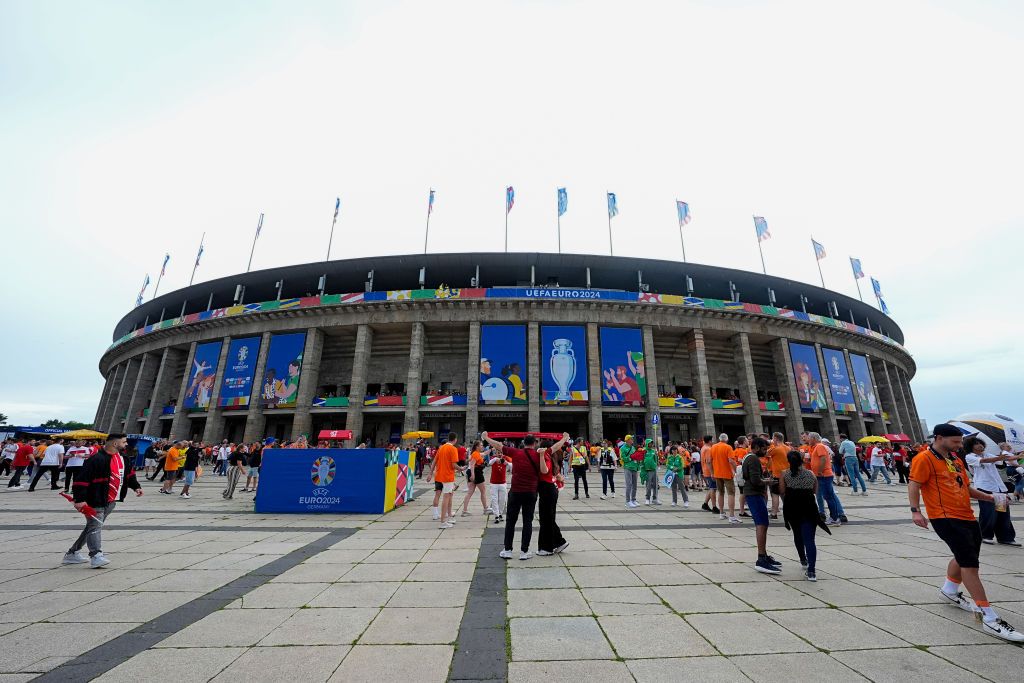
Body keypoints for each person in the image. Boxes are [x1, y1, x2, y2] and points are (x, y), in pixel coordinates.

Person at [909, 424, 1024, 642]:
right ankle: (989, 617)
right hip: (945, 517)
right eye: (955, 442)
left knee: (965, 556)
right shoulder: (924, 459)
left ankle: (949, 590)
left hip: (967, 515)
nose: (959, 446)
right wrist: (916, 511)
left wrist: (990, 497)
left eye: (961, 442)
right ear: (939, 438)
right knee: (970, 565)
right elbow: (914, 484)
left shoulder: (955, 459)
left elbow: (966, 488)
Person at [63, 433, 142, 568]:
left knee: (92, 526)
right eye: (124, 442)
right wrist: (80, 499)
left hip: (112, 500)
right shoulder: (96, 459)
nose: (126, 444)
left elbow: (129, 474)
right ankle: (96, 555)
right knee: (95, 527)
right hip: (95, 499)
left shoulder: (123, 458)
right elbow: (81, 480)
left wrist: (136, 486)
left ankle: (72, 553)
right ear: (115, 444)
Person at [482, 431, 547, 560]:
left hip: (515, 492)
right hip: (531, 493)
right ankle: (524, 551)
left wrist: (486, 438)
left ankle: (508, 550)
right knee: (527, 522)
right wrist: (564, 438)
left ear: (523, 443)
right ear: (534, 444)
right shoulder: (538, 455)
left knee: (511, 522)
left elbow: (498, 445)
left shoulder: (516, 452)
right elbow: (545, 468)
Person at [780, 449, 832, 581]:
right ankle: (812, 571)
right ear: (801, 460)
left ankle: (803, 559)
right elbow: (815, 490)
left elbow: (782, 491)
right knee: (810, 540)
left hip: (793, 508)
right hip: (809, 508)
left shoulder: (785, 474)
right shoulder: (811, 474)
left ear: (789, 461)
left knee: (797, 535)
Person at [963, 435, 1019, 547]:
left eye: (981, 443)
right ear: (971, 447)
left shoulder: (987, 454)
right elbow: (985, 461)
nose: (980, 445)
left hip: (998, 487)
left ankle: (1005, 537)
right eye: (976, 444)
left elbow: (1004, 459)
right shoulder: (970, 457)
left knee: (1002, 512)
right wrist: (1000, 457)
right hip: (984, 488)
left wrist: (1019, 455)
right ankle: (985, 535)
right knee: (988, 512)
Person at [742, 437, 781, 574]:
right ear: (757, 447)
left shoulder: (748, 456)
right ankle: (761, 559)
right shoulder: (753, 459)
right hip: (754, 494)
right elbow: (754, 480)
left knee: (763, 523)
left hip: (752, 493)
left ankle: (764, 555)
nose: (766, 452)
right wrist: (767, 482)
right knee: (762, 524)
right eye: (764, 449)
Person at [534, 433, 571, 556]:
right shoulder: (550, 455)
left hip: (547, 489)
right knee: (548, 518)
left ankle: (547, 548)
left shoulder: (545, 456)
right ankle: (559, 542)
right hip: (549, 490)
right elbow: (557, 446)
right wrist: (564, 439)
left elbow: (544, 471)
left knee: (546, 519)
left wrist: (564, 439)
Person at [807, 433, 845, 525]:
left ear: (814, 438)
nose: (808, 440)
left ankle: (835, 518)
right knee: (828, 496)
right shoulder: (817, 446)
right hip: (821, 475)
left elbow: (823, 459)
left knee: (829, 497)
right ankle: (834, 517)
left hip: (824, 475)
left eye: (809, 438)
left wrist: (820, 471)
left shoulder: (820, 446)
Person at [429, 433, 464, 529]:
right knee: (446, 497)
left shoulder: (442, 447)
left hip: (440, 475)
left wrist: (430, 473)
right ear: (455, 439)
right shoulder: (453, 449)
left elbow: (435, 461)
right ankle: (443, 521)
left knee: (449, 495)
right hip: (448, 476)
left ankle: (449, 517)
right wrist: (461, 468)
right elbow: (453, 465)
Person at [710, 434, 738, 522]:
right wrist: (736, 470)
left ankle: (721, 513)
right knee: (731, 493)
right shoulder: (728, 447)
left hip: (717, 473)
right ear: (727, 439)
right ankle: (732, 516)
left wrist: (712, 473)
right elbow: (731, 460)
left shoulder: (713, 447)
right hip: (727, 473)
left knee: (720, 493)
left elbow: (709, 461)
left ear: (719, 439)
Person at [460, 441, 489, 516]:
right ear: (477, 446)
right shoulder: (475, 454)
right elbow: (472, 465)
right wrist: (473, 475)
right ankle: (485, 509)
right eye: (481, 445)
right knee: (483, 491)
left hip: (473, 472)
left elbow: (485, 453)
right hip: (476, 473)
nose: (482, 446)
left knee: (470, 492)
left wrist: (492, 449)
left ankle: (464, 511)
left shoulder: (476, 453)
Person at [766, 433, 789, 518]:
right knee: (785, 494)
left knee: (775, 494)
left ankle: (774, 513)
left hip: (777, 475)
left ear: (775, 438)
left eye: (773, 438)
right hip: (787, 474)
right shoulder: (788, 448)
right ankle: (788, 511)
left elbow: (766, 454)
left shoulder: (776, 448)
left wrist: (771, 444)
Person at [488, 449, 509, 522]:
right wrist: (496, 459)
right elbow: (489, 463)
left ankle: (500, 513)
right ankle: (496, 515)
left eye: (501, 453)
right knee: (494, 499)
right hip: (493, 483)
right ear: (496, 453)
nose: (500, 454)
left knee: (502, 500)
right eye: (498, 453)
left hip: (502, 483)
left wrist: (505, 461)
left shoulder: (505, 458)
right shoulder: (493, 459)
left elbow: (511, 464)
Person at [620, 435, 641, 508]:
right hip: (628, 467)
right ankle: (628, 501)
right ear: (627, 440)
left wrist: (638, 464)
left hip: (634, 467)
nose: (632, 439)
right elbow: (623, 458)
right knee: (629, 484)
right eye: (631, 438)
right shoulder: (623, 448)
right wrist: (631, 458)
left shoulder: (633, 447)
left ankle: (633, 499)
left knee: (634, 485)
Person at [641, 438, 661, 505]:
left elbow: (656, 460)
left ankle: (655, 499)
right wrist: (643, 470)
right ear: (647, 443)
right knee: (648, 485)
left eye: (652, 443)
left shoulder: (653, 451)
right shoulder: (644, 451)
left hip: (654, 469)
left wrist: (657, 458)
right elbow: (642, 461)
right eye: (650, 443)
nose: (651, 444)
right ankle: (647, 499)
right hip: (647, 470)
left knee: (655, 485)